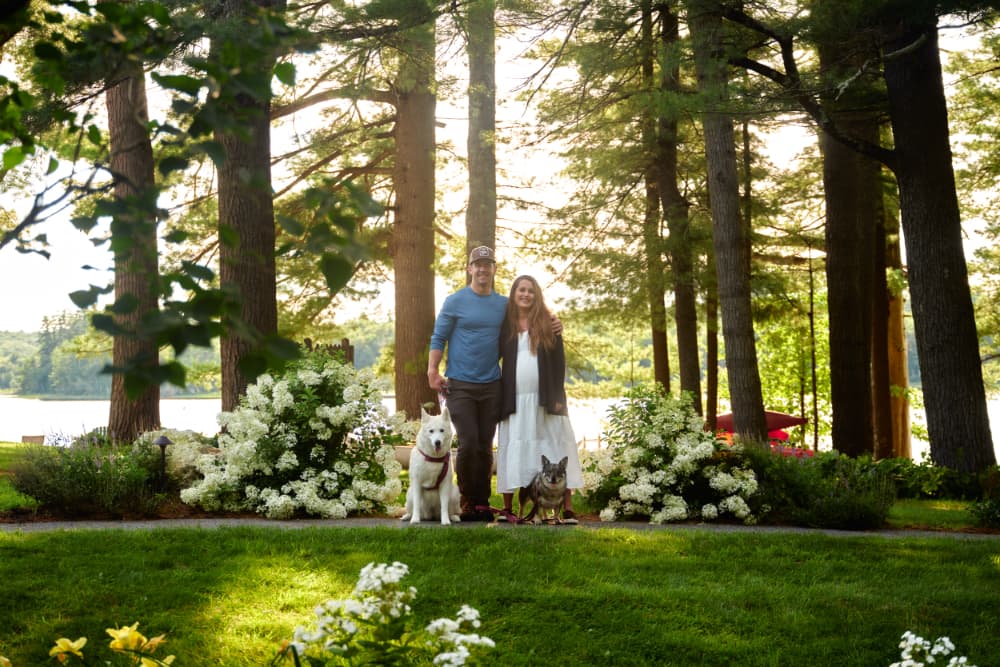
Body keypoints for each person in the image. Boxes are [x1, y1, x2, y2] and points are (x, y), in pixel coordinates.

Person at [427, 246, 508, 522]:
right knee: (469, 441)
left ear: (494, 269)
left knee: (485, 444)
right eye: (478, 264)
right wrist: (432, 370)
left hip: (492, 385)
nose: (483, 269)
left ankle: (483, 502)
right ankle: (467, 500)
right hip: (459, 384)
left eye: (488, 264)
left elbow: (527, 319)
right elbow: (439, 337)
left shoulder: (503, 305)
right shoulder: (455, 301)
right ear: (469, 269)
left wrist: (553, 322)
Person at [496, 275, 582, 524]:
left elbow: (559, 363)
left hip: (545, 400)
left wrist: (557, 396)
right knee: (514, 448)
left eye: (530, 291)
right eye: (521, 290)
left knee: (555, 446)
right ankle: (509, 508)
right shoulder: (505, 325)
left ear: (537, 295)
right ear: (513, 294)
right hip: (515, 401)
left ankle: (565, 507)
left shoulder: (548, 324)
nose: (525, 294)